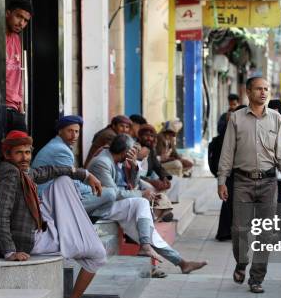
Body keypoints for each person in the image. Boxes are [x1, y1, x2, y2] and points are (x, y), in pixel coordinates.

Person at [0, 130, 105, 298]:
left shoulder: (23, 171)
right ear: (7, 154)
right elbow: (0, 214)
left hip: (37, 222)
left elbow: (50, 171)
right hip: (30, 239)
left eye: (27, 153)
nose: (24, 157)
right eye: (19, 153)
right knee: (97, 254)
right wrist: (10, 251)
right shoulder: (10, 173)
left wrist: (84, 174)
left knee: (63, 180)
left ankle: (77, 235)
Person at [217, 77, 281, 294]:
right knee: (240, 230)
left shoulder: (276, 118)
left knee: (266, 233)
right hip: (242, 181)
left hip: (269, 182)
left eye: (266, 89)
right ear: (248, 92)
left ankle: (257, 278)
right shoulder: (236, 119)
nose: (263, 93)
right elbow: (227, 151)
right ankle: (241, 262)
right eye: (259, 89)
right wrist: (222, 180)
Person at [88, 134, 207, 274]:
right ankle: (147, 248)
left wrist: (134, 166)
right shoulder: (102, 162)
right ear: (125, 151)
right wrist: (141, 194)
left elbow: (133, 183)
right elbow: (114, 194)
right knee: (142, 203)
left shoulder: (117, 160)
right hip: (101, 208)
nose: (134, 153)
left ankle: (180, 262)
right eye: (132, 150)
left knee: (147, 230)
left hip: (114, 206)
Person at [31, 115, 118, 214]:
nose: (74, 135)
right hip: (47, 199)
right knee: (110, 193)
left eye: (77, 131)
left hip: (51, 195)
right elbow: (72, 183)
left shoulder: (59, 145)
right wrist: (93, 189)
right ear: (60, 131)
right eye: (70, 131)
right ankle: (84, 222)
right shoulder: (61, 150)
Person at [208, 105, 247, 241]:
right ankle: (226, 232)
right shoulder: (231, 129)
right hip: (231, 171)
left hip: (234, 172)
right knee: (230, 201)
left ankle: (230, 231)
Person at [5, 0, 33, 134]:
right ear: (7, 13)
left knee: (23, 148)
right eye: (18, 16)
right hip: (1, 106)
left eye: (26, 20)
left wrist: (21, 107)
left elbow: (18, 75)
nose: (21, 23)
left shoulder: (16, 39)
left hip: (16, 107)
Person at [137, 124, 181, 203]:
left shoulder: (151, 150)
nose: (149, 138)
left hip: (148, 178)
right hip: (138, 181)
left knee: (174, 180)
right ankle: (157, 207)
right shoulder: (135, 148)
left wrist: (164, 177)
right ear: (140, 136)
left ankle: (167, 204)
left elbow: (158, 167)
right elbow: (135, 175)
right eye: (146, 135)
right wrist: (152, 182)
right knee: (150, 188)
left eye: (151, 136)